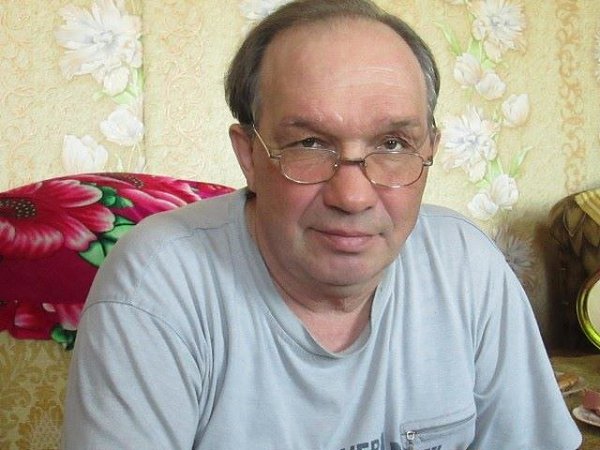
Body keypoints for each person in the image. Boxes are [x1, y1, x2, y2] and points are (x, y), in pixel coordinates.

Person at [62, 1, 582, 449]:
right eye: (309, 144)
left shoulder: (467, 266)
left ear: (429, 151)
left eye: (393, 144)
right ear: (249, 156)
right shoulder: (156, 284)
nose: (352, 196)